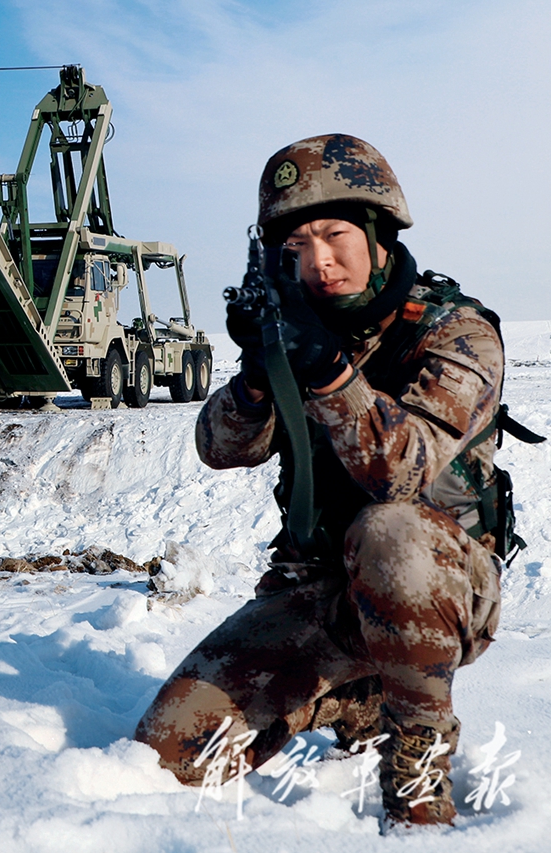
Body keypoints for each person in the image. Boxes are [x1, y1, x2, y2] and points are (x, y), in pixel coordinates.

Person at [135, 134, 505, 828]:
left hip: (438, 590)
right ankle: (354, 696)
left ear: (379, 234)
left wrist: (331, 372)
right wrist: (259, 373)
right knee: (174, 751)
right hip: (321, 592)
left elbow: (400, 470)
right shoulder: (300, 329)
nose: (319, 262)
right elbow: (219, 448)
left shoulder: (456, 333)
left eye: (335, 236)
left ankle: (419, 766)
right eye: (298, 247)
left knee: (391, 531)